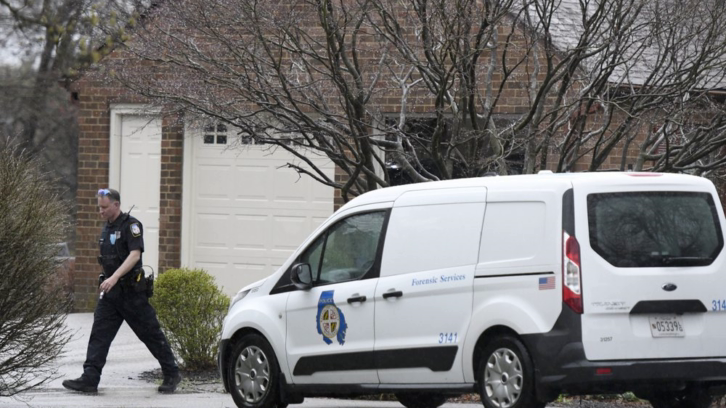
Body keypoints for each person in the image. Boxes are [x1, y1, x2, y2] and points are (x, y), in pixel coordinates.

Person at [63, 188, 181, 393]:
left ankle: (171, 373)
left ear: (116, 205)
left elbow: (135, 255)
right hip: (111, 295)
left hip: (131, 293)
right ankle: (89, 379)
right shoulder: (106, 228)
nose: (100, 211)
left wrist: (115, 277)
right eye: (99, 207)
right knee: (99, 335)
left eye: (104, 207)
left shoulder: (132, 226)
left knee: (150, 334)